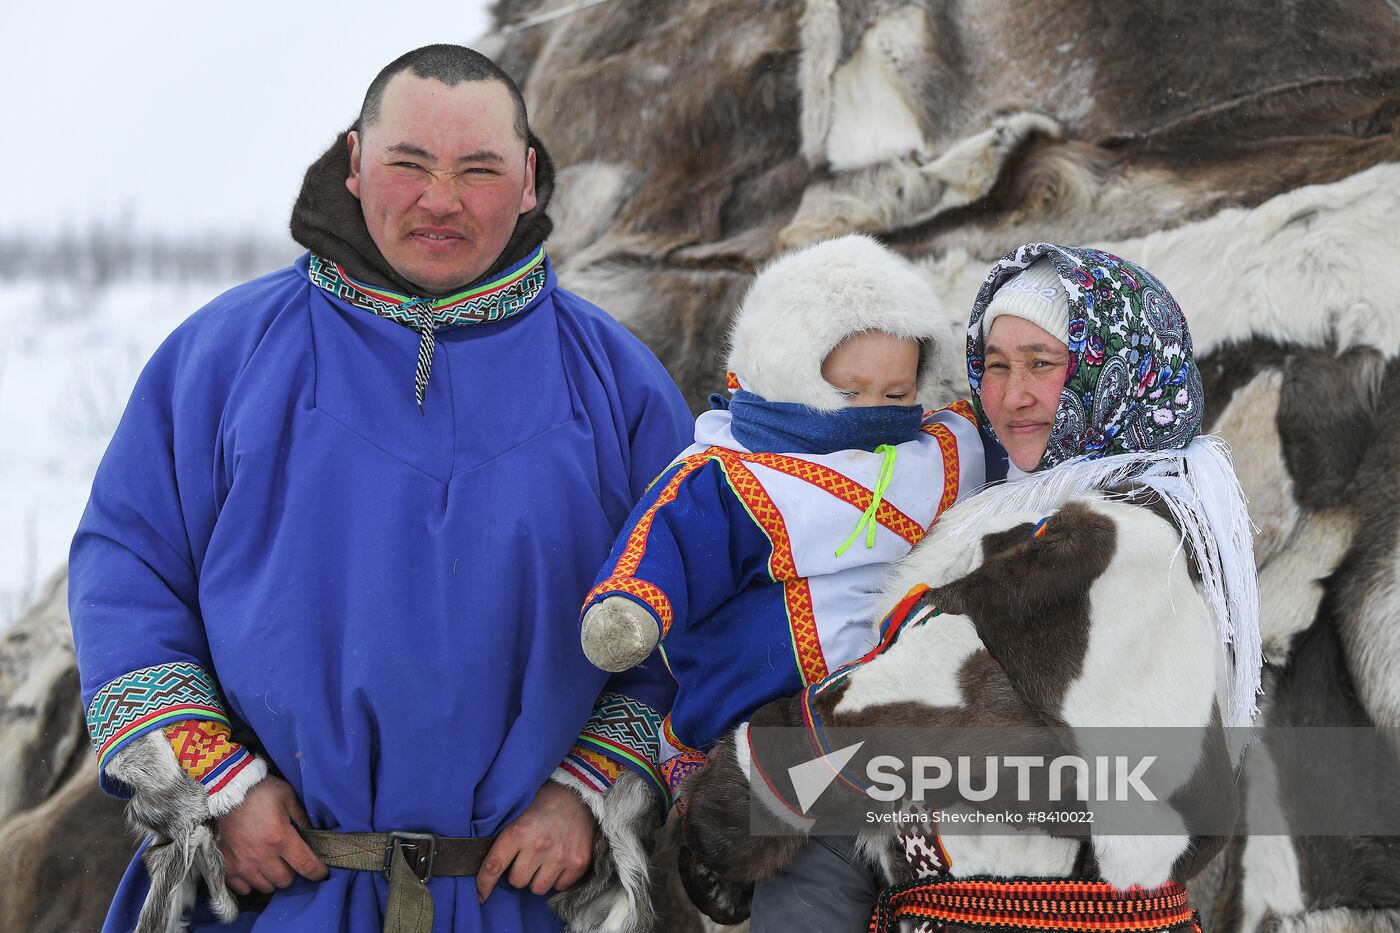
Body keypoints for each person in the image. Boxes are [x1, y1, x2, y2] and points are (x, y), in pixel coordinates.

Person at [69, 45, 692, 933]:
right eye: (409, 164)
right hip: (272, 892)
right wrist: (217, 786)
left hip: (524, 901)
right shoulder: (220, 358)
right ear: (356, 164)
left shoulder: (621, 383)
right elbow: (126, 574)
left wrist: (592, 788)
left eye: (478, 170)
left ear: (528, 181)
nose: (441, 198)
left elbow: (693, 618)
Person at [680, 243, 1260, 933]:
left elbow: (933, 692)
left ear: (1113, 371)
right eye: (994, 364)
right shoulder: (1067, 506)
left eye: (1043, 364)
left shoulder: (1113, 537)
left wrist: (752, 783)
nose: (1012, 394)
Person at [576, 234, 988, 926]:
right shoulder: (738, 470)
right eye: (850, 390)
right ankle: (726, 866)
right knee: (807, 883)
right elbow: (675, 534)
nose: (876, 410)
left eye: (897, 390)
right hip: (777, 719)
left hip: (901, 721)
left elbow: (1002, 447)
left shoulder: (940, 448)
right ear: (788, 373)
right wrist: (631, 604)